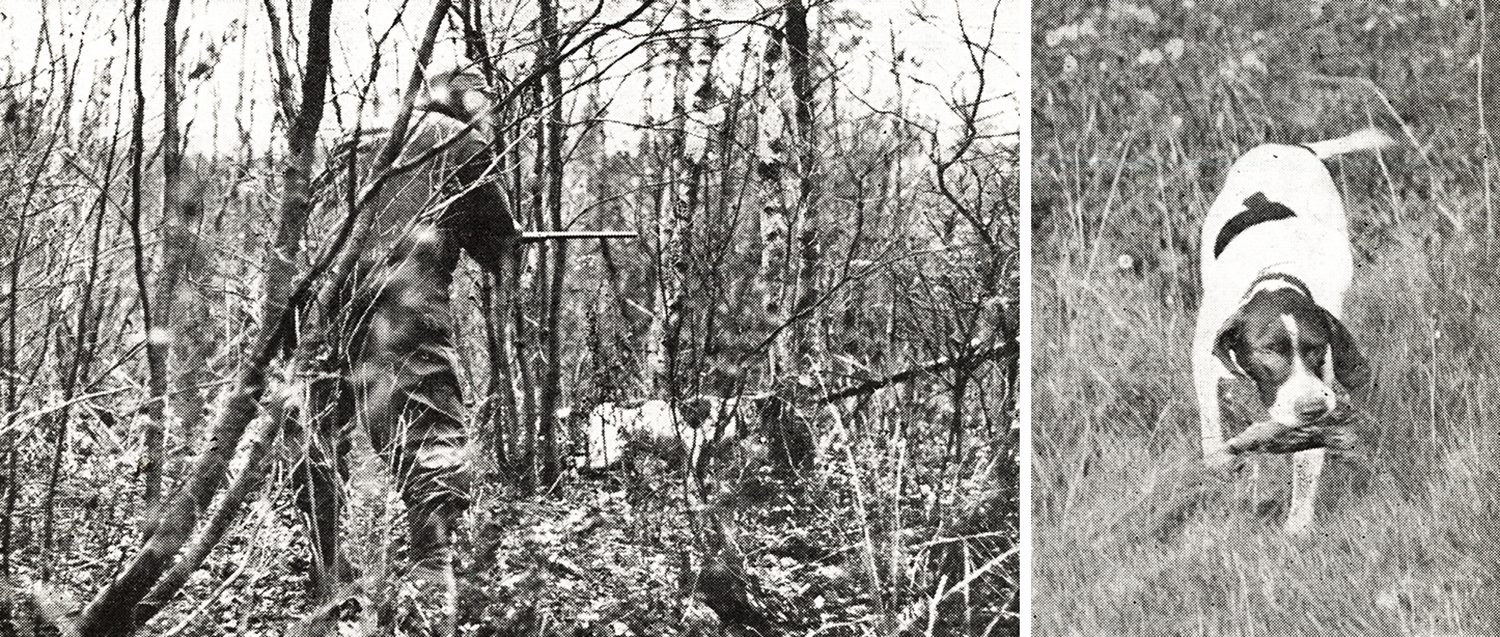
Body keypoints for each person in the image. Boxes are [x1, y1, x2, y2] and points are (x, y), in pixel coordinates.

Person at [294, 66, 511, 636]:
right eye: (483, 103)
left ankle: (325, 573)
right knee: (431, 433)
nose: (488, 115)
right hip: (403, 306)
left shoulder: (357, 139)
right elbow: (497, 244)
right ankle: (432, 584)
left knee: (321, 436)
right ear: (460, 101)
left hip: (322, 305)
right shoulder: (457, 140)